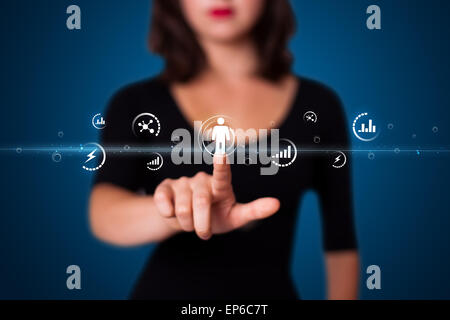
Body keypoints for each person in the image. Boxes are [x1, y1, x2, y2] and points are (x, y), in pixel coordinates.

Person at [89, 0, 359, 299]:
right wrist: (176, 209)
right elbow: (104, 214)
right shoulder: (135, 103)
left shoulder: (319, 105)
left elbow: (341, 239)